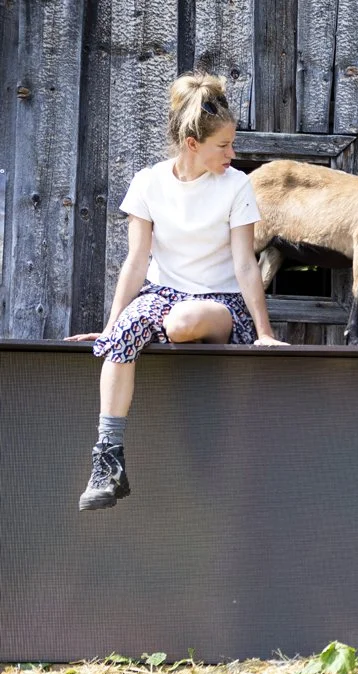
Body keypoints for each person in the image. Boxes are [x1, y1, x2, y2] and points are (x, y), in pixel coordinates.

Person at [66, 71, 287, 512]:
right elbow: (136, 260)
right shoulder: (148, 183)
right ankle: (107, 462)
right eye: (223, 146)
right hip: (161, 293)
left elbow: (246, 264)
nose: (232, 153)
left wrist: (262, 330)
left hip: (220, 303)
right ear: (192, 144)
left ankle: (158, 332)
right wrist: (112, 328)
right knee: (126, 333)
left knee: (181, 322)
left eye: (232, 144)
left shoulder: (236, 186)